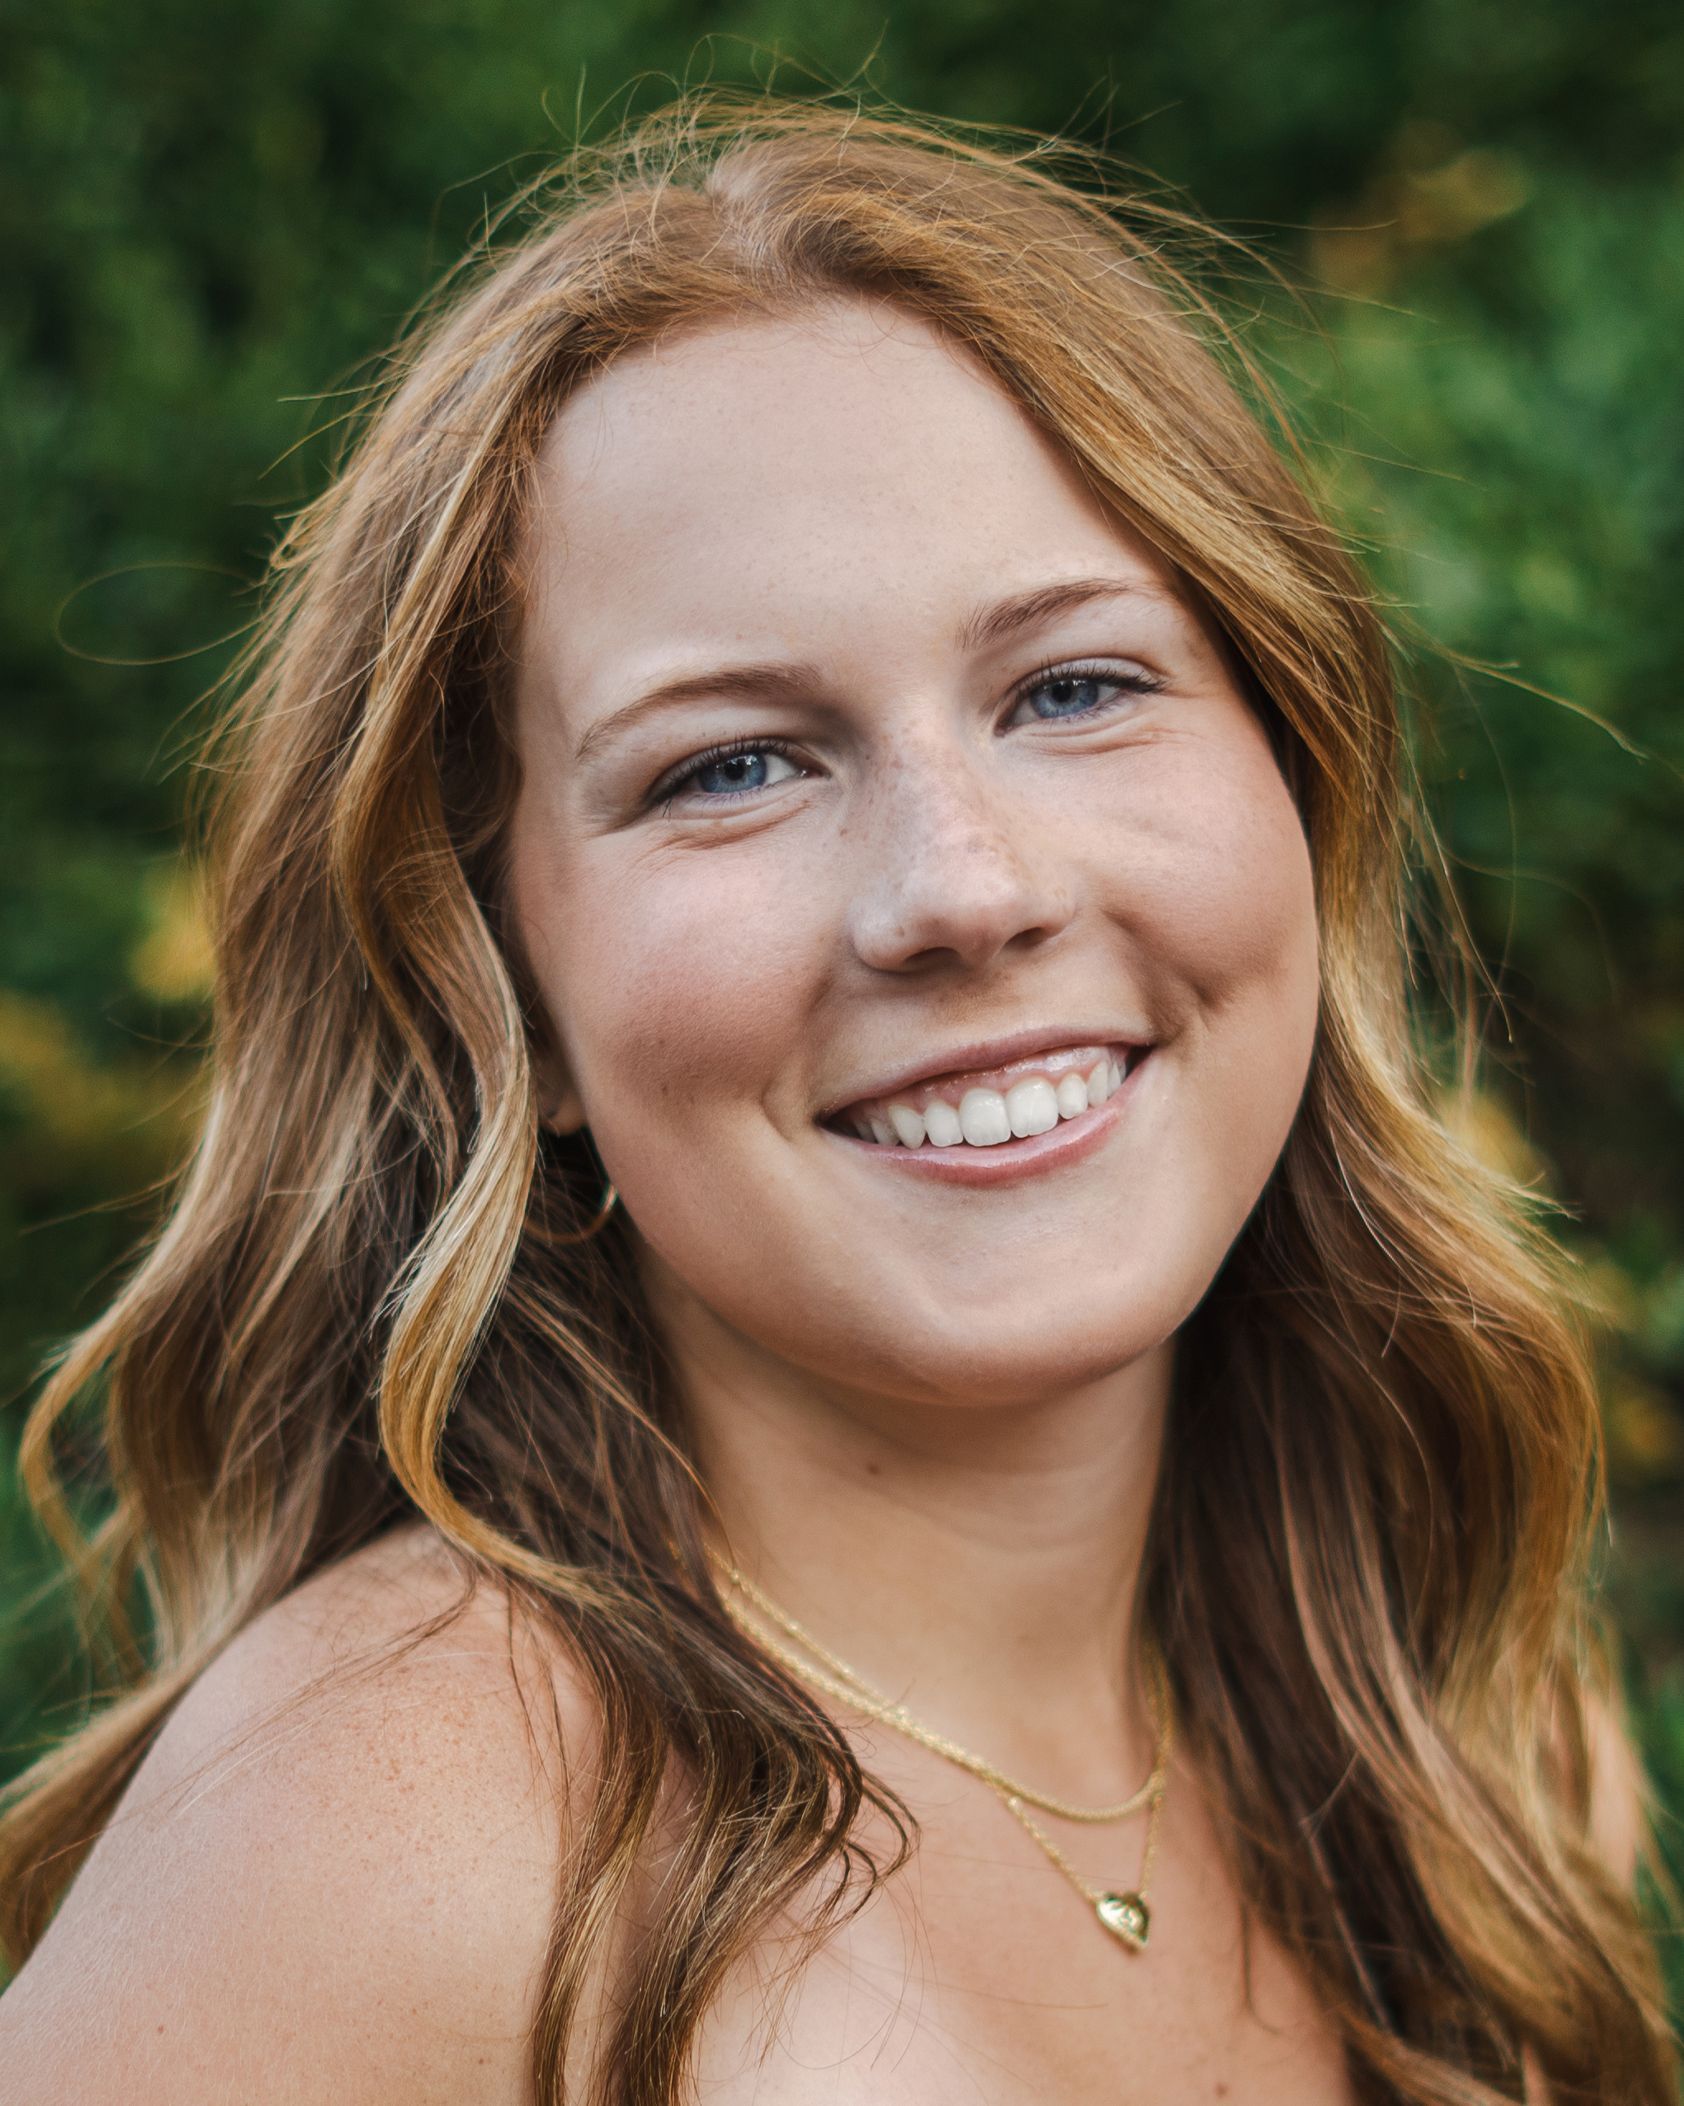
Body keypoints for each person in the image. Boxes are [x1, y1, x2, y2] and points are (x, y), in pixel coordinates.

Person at [0, 92, 1671, 2106]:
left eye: (1071, 687)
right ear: (495, 980)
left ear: (1298, 785)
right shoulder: (387, 1837)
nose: (964, 888)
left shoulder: (1449, 1730)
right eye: (730, 766)